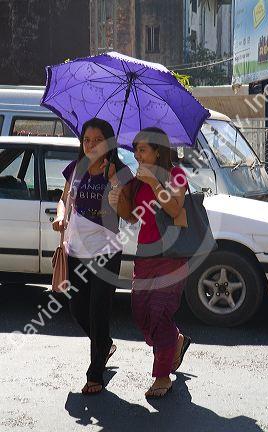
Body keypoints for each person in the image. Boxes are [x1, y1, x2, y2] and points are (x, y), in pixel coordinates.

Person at [109, 127, 191, 398]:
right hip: (145, 253)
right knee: (140, 311)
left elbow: (175, 209)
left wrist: (155, 183)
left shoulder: (177, 175)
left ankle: (162, 376)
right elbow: (131, 217)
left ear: (158, 151)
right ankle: (175, 341)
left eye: (142, 149)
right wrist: (118, 195)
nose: (137, 154)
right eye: (135, 149)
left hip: (173, 255)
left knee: (160, 312)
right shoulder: (138, 180)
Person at [53, 118, 132, 395]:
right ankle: (105, 344)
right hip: (76, 250)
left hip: (106, 252)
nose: (91, 145)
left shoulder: (120, 172)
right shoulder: (75, 168)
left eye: (97, 140)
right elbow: (64, 200)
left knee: (99, 311)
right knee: (77, 310)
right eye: (87, 140)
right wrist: (61, 217)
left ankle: (95, 373)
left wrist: (114, 184)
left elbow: (129, 215)